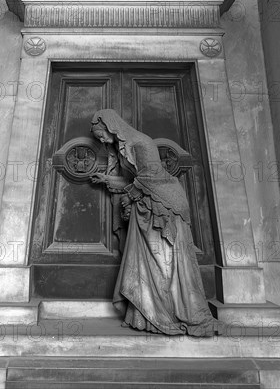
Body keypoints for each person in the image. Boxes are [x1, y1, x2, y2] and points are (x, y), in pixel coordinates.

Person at [90, 109, 217, 336]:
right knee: (146, 264)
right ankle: (147, 315)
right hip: (146, 207)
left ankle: (172, 312)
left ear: (111, 125)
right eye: (98, 136)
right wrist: (107, 179)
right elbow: (135, 180)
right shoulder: (123, 149)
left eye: (100, 133)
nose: (100, 139)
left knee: (165, 264)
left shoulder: (141, 143)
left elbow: (152, 178)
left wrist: (130, 195)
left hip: (164, 208)